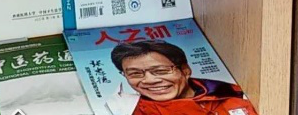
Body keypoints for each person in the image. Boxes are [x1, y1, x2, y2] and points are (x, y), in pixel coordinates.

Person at [108, 40, 257, 114]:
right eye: (135, 73)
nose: (149, 80)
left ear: (185, 70)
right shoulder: (124, 110)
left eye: (160, 70)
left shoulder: (235, 95)